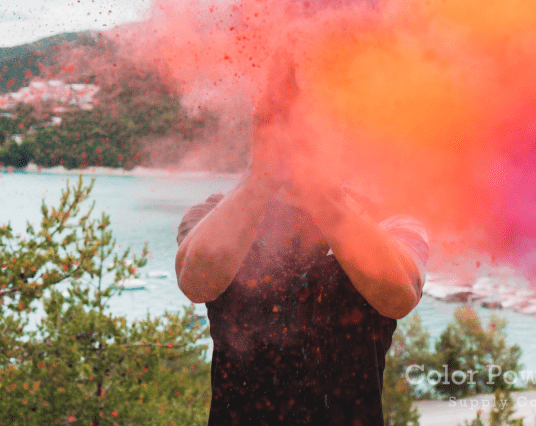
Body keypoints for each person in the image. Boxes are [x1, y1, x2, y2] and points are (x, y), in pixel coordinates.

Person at [175, 56, 429, 426]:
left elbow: (399, 294)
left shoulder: (391, 220)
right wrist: (261, 177)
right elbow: (196, 281)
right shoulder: (213, 215)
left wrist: (320, 189)